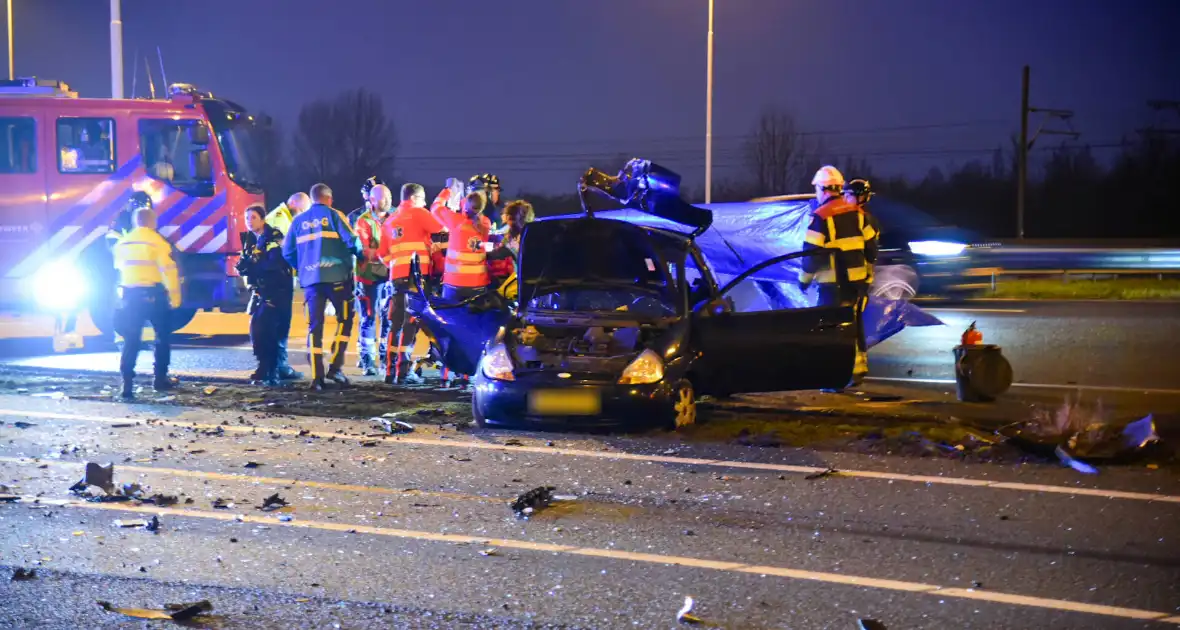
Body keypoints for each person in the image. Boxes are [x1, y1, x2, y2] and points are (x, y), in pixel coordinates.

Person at [282, 183, 363, 390]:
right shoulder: (335, 216)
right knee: (345, 320)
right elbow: (352, 241)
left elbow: (288, 252)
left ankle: (317, 377)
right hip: (338, 279)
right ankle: (335, 368)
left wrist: (303, 268)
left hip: (311, 282)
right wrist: (362, 256)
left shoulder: (298, 221)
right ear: (328, 198)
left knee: (314, 327)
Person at [800, 165, 872, 387]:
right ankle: (857, 371)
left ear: (822, 189)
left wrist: (803, 281)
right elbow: (871, 249)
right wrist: (866, 279)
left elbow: (812, 255)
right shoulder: (859, 214)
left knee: (830, 331)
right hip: (856, 284)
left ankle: (833, 379)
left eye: (816, 190)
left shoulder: (822, 216)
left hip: (832, 285)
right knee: (853, 326)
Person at [111, 205, 181, 400]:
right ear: (153, 222)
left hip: (130, 296)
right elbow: (169, 271)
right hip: (154, 295)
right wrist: (175, 297)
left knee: (131, 340)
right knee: (161, 338)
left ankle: (126, 384)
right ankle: (159, 379)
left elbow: (118, 269)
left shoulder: (122, 243)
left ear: (135, 222)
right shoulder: (156, 242)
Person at [378, 182, 445, 384]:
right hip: (417, 276)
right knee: (411, 323)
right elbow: (444, 232)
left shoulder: (390, 220)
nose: (424, 203)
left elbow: (382, 254)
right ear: (415, 198)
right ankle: (404, 371)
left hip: (396, 278)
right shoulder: (419, 213)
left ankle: (390, 371)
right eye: (423, 200)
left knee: (395, 324)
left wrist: (397, 265)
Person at [237, 205, 293, 386]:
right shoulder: (250, 240)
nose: (249, 221)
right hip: (260, 291)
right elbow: (248, 261)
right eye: (247, 218)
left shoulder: (273, 237)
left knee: (268, 332)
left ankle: (272, 372)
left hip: (277, 291)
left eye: (253, 217)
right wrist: (242, 267)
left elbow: (274, 264)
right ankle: (264, 367)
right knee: (258, 332)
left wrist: (252, 267)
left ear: (262, 219)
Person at [353, 183, 394, 376]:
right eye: (383, 198)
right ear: (372, 200)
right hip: (369, 278)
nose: (387, 201)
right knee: (368, 318)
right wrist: (386, 253)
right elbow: (365, 251)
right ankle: (367, 360)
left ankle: (385, 359)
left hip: (390, 277)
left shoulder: (394, 218)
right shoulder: (364, 221)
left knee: (389, 319)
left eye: (388, 197)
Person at [432, 180, 492, 301]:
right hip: (478, 283)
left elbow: (435, 208)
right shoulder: (486, 223)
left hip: (454, 283)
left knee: (451, 317)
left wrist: (448, 189)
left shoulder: (456, 221)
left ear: (465, 204)